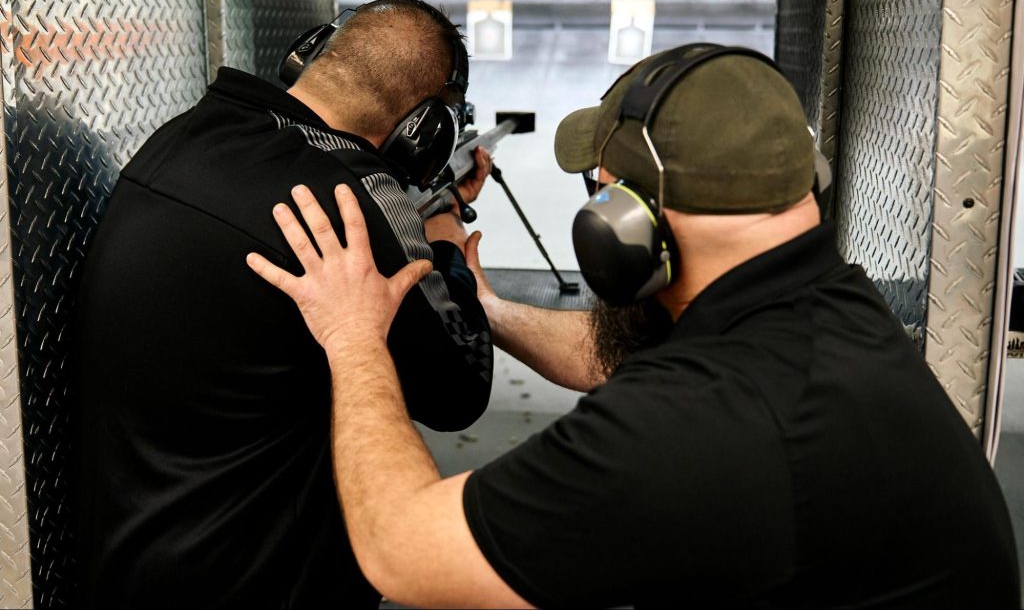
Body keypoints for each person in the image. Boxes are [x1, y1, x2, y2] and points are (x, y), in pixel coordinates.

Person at [247, 44, 1020, 608]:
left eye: (603, 189)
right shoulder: (820, 306)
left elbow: (401, 549)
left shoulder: (700, 423)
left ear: (631, 222)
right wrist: (484, 306)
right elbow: (611, 355)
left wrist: (353, 336)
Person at [73, 0, 493, 608]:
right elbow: (459, 390)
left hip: (131, 557)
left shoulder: (179, 139)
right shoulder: (356, 205)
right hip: (267, 581)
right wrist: (447, 238)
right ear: (425, 130)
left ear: (312, 54)